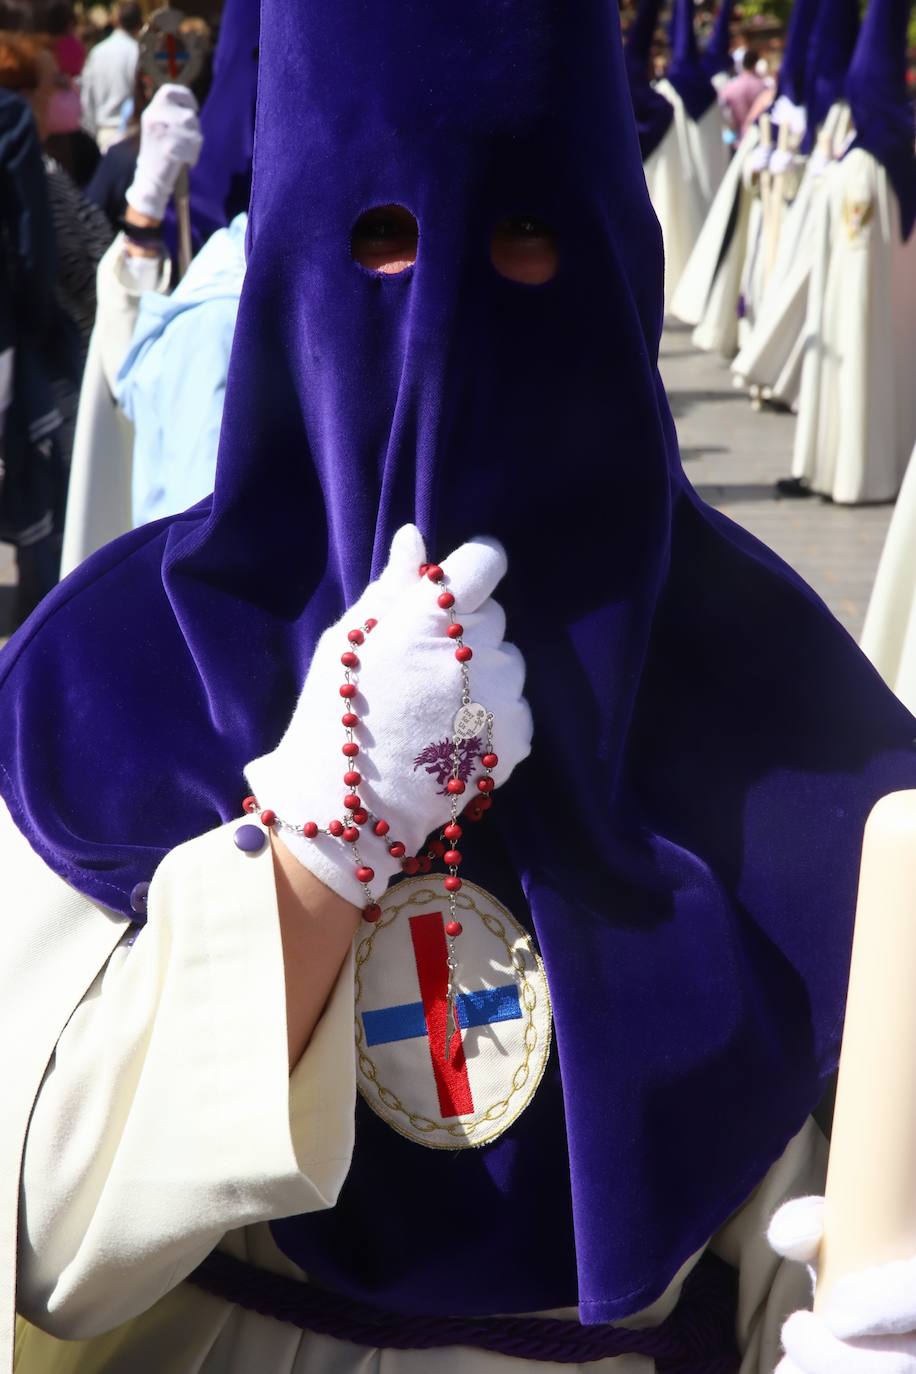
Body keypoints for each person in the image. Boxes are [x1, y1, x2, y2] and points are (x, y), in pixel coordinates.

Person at [4, 3, 916, 1374]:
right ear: (296, 266)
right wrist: (310, 858)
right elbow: (45, 1242)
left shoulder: (786, 710)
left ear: (612, 257)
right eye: (380, 236)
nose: (440, 320)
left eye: (525, 235)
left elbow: (836, 1224)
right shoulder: (104, 681)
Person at [788, 0, 916, 506]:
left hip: (866, 187)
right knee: (847, 329)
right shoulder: (869, 156)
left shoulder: (873, 162)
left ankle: (858, 469)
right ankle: (836, 463)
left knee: (860, 330)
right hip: (860, 175)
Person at [78, 0, 141, 153]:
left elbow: (87, 97)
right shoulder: (137, 52)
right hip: (131, 135)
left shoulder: (97, 52)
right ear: (139, 24)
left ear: (116, 21)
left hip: (104, 133)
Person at [718, 49, 766, 138]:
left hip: (739, 137)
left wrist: (730, 124)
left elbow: (720, 106)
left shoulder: (730, 86)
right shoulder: (761, 86)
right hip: (758, 136)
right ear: (755, 64)